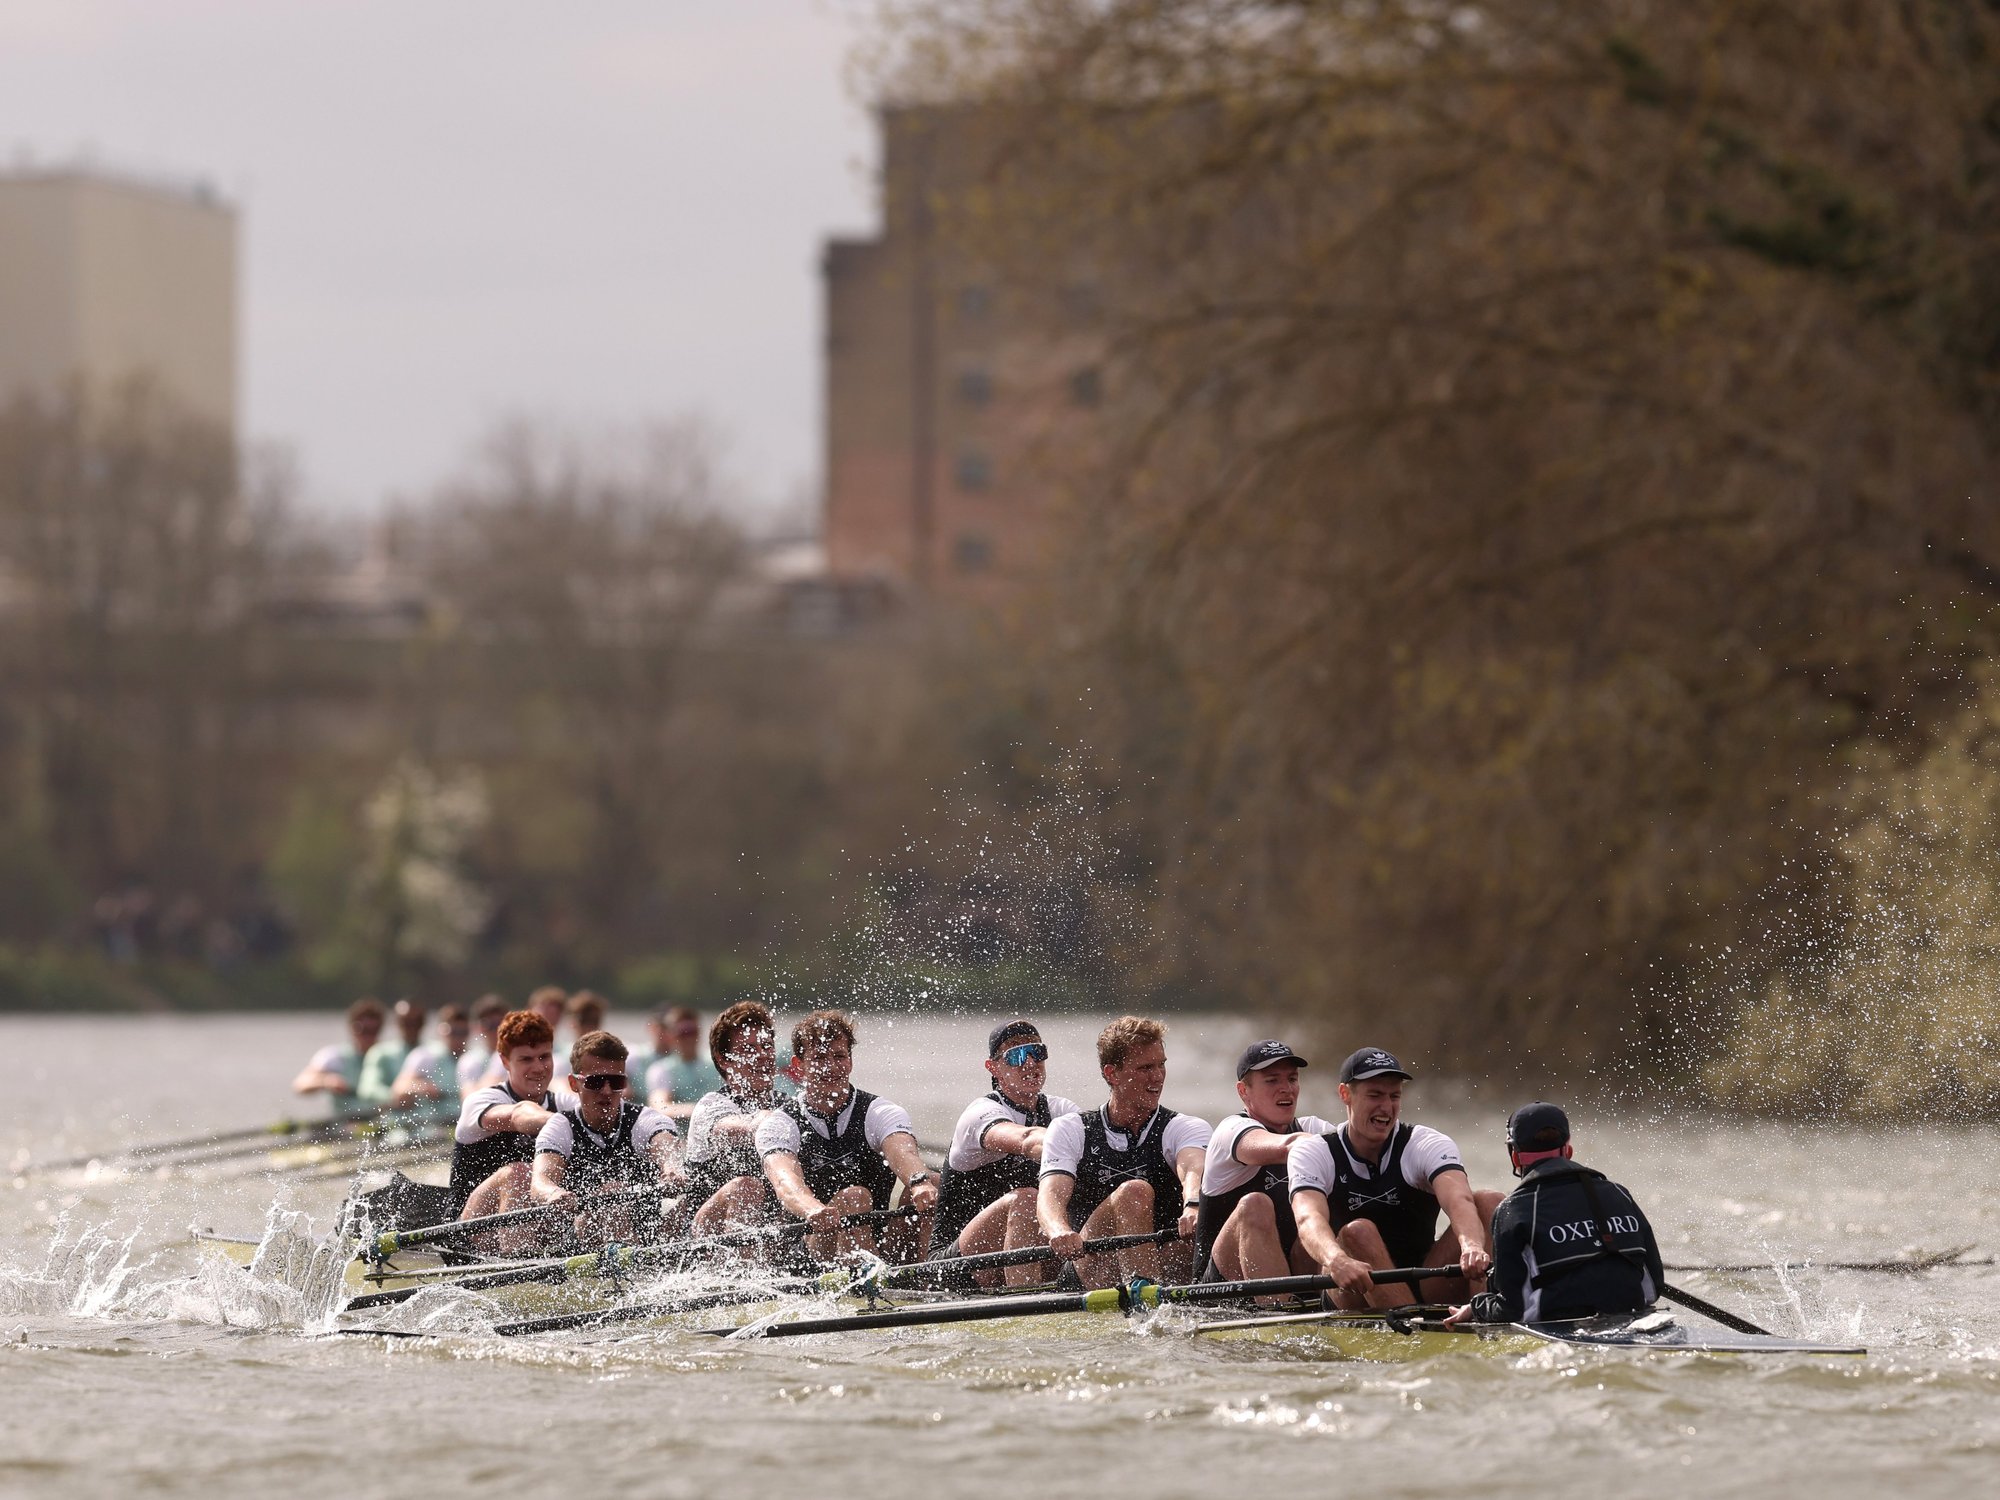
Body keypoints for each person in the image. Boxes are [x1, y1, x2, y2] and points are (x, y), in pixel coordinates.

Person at [1288, 1046, 1502, 1309]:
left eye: (1394, 1096)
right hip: (1353, 1285)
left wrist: (1471, 1246)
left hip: (1423, 1279)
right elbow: (1308, 1218)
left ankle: (1483, 1312)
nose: (1386, 1107)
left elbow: (1459, 1199)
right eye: (1375, 1095)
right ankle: (1415, 1331)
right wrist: (1335, 1260)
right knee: (1358, 1231)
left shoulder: (1425, 1143)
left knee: (1489, 1202)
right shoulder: (1314, 1151)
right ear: (1345, 1094)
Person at [1448, 1102, 1665, 1326]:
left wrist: (1477, 1307)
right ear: (1568, 1150)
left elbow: (1512, 1310)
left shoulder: (1512, 1210)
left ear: (1515, 1157)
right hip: (1635, 1317)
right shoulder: (1619, 1193)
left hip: (1561, 1327)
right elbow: (1653, 1287)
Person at [1038, 1016, 1211, 1289]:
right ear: (1112, 1074)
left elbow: (1193, 1168)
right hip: (1090, 1266)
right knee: (1134, 1192)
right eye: (1145, 1068)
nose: (1157, 1076)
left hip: (1165, 1261)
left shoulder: (1185, 1127)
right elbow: (1051, 1195)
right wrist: (1059, 1231)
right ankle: (1147, 1308)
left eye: (1161, 1065)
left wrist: (1192, 1204)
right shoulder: (1071, 1128)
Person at [755, 1009, 937, 1264]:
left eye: (839, 1056)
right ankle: (867, 1287)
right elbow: (787, 1184)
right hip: (814, 1244)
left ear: (850, 1061)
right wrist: (813, 1209)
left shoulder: (879, 1111)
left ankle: (931, 1276)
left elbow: (903, 1152)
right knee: (855, 1197)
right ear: (799, 1066)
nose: (830, 1067)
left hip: (881, 1236)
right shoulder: (780, 1124)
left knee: (936, 1182)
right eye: (818, 1058)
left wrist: (919, 1181)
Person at [928, 1020, 1081, 1286]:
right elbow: (1025, 1139)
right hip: (955, 1267)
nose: (1030, 1062)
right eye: (1016, 1054)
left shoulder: (1061, 1109)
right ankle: (1026, 1308)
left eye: (1037, 1052)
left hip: (1021, 1253)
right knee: (1026, 1199)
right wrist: (1072, 1146)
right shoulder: (979, 1113)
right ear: (994, 1068)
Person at [1194, 1039, 1337, 1283]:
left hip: (1295, 1268)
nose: (1286, 1089)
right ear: (1243, 1091)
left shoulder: (1313, 1127)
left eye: (1292, 1079)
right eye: (1272, 1080)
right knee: (1256, 1204)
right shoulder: (1231, 1130)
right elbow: (1289, 1146)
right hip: (1222, 1288)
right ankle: (1280, 1312)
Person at [531, 1030, 681, 1246]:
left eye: (616, 1081)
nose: (607, 1091)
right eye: (596, 1082)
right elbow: (540, 1181)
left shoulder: (643, 1119)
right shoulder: (560, 1127)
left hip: (645, 1229)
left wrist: (671, 1168)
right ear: (574, 1084)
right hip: (586, 1235)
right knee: (611, 1192)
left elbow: (664, 1144)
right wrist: (553, 1193)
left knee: (684, 1203)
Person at [449, 1011, 579, 1245]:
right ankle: (522, 1264)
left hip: (534, 1221)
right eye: (526, 1059)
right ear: (505, 1061)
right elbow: (519, 1115)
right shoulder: (481, 1101)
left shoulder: (564, 1103)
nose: (538, 1067)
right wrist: (569, 1125)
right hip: (466, 1231)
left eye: (544, 1057)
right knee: (519, 1174)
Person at [682, 1001, 789, 1238]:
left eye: (767, 1046)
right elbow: (733, 1130)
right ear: (724, 1060)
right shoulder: (711, 1106)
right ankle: (743, 1272)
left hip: (769, 1231)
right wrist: (768, 1121)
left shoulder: (787, 1104)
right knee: (746, 1187)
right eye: (749, 1049)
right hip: (704, 1237)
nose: (762, 1056)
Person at [291, 998, 386, 1119]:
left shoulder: (389, 1057)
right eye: (363, 1030)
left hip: (382, 1124)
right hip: (344, 1126)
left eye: (373, 1031)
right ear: (351, 1028)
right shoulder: (335, 1056)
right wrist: (326, 1081)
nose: (367, 1037)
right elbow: (300, 1085)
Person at [389, 1003, 471, 1127]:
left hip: (462, 1127)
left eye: (462, 1032)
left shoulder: (474, 1059)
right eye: (453, 1032)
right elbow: (399, 1089)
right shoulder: (425, 1056)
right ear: (441, 1030)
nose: (458, 1038)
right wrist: (425, 1088)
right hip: (432, 1128)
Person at [646, 1005, 724, 1122]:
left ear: (699, 1032)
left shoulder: (718, 1064)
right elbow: (660, 1108)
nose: (688, 1038)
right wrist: (701, 1111)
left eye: (692, 1031)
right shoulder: (661, 1069)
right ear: (671, 1035)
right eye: (682, 1032)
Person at [356, 998, 426, 1110]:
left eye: (416, 1022)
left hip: (435, 1122)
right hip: (395, 1122)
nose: (411, 1027)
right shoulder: (380, 1053)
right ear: (397, 1023)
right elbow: (367, 1089)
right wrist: (394, 1097)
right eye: (406, 1022)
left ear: (423, 1023)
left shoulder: (435, 1052)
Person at [456, 993, 507, 1094]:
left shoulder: (522, 1055)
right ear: (478, 1027)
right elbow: (467, 1096)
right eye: (489, 1025)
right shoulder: (469, 1060)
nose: (496, 1030)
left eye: (500, 1024)